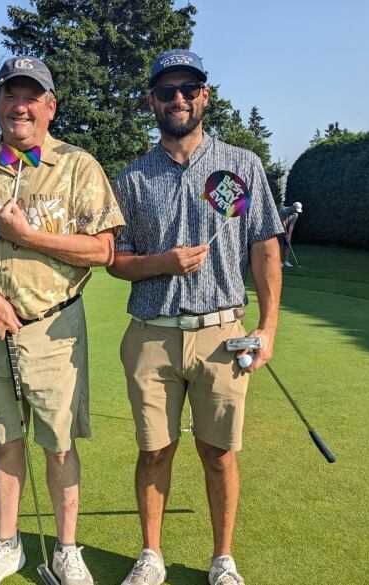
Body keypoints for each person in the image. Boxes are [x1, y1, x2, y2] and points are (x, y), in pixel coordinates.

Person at [0, 55, 124, 585]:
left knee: (58, 443)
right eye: (10, 95)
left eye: (31, 96)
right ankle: (7, 546)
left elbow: (104, 249)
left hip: (55, 326)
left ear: (50, 107)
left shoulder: (79, 166)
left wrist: (30, 236)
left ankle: (65, 549)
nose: (21, 105)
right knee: (4, 439)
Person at [108, 49, 284, 585]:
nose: (178, 99)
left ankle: (222, 559)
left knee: (219, 454)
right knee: (154, 450)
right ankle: (151, 556)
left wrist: (268, 327)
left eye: (189, 89)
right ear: (151, 101)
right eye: (167, 91)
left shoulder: (242, 165)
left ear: (205, 95)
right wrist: (161, 263)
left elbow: (265, 248)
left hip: (223, 334)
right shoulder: (132, 178)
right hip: (152, 336)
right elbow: (115, 259)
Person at [277, 201, 302, 267]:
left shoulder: (296, 215)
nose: (296, 211)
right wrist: (286, 233)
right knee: (281, 245)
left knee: (288, 244)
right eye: (296, 210)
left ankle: (285, 261)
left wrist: (289, 236)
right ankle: (279, 261)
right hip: (279, 229)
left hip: (287, 230)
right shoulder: (283, 210)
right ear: (293, 207)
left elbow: (291, 225)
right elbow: (282, 222)